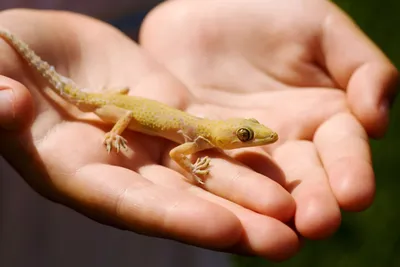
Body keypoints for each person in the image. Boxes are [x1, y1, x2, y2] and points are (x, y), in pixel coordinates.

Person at [0, 0, 397, 265]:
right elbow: (175, 155)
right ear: (226, 136)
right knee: (80, 99)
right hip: (105, 109)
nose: (257, 138)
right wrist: (190, 168)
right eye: (246, 135)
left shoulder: (206, 135)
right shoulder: (196, 140)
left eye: (248, 133)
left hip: (116, 82)